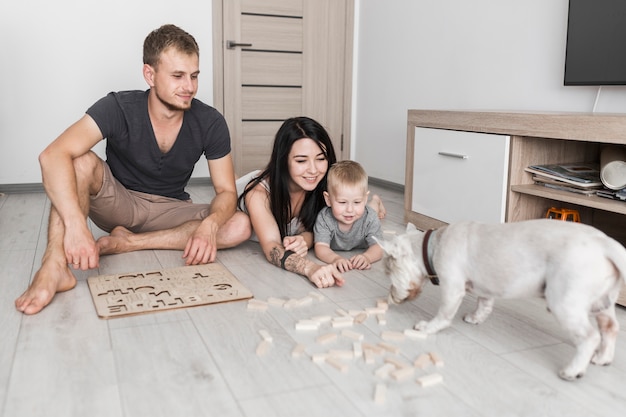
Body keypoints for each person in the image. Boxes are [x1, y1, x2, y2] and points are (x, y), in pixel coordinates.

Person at [15, 24, 251, 315]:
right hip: (119, 202)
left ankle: (129, 243)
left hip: (171, 209)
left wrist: (210, 226)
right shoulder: (118, 106)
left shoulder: (211, 121)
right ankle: (53, 267)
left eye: (194, 76)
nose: (189, 86)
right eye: (177, 76)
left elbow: (227, 190)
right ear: (150, 75)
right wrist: (77, 228)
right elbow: (52, 155)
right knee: (79, 161)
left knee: (239, 225)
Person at [239, 116, 347, 288]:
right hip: (246, 189)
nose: (313, 170)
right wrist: (310, 268)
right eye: (301, 161)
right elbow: (272, 248)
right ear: (283, 160)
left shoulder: (321, 184)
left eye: (320, 159)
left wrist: (305, 238)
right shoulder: (258, 194)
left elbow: (319, 226)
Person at [314, 160, 384, 272]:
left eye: (357, 202)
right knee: (363, 210)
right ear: (328, 199)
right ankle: (372, 201)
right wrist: (335, 258)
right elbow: (321, 247)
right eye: (342, 202)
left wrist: (367, 257)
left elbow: (379, 247)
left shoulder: (369, 218)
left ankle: (376, 200)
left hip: (368, 210)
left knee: (372, 209)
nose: (350, 210)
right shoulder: (325, 218)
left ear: (364, 199)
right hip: (362, 209)